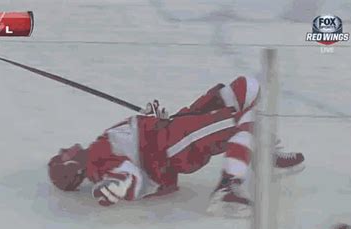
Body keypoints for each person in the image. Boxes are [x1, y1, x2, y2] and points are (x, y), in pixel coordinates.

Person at [48, 76, 305, 217]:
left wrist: (150, 117)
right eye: (62, 156)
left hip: (175, 126)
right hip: (173, 146)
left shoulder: (98, 146)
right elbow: (130, 178)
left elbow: (134, 138)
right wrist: (115, 187)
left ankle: (264, 153)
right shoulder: (96, 163)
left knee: (246, 88)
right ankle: (227, 188)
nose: (64, 149)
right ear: (71, 167)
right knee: (244, 121)